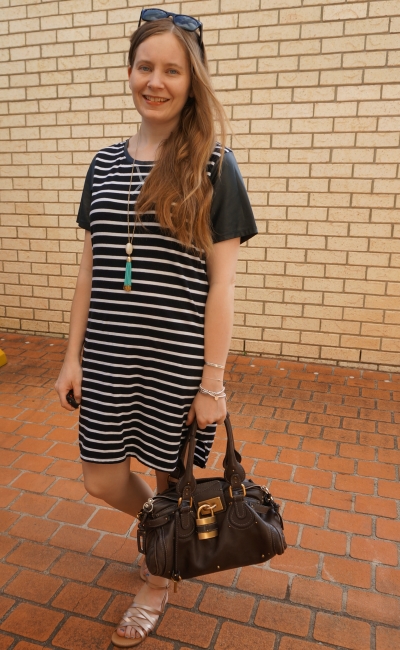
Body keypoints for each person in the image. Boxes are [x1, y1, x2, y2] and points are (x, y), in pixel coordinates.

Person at [55, 8, 257, 648]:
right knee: (101, 475)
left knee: (175, 480)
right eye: (146, 66)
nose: (156, 80)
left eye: (172, 70)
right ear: (131, 70)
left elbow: (221, 285)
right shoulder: (104, 164)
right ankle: (162, 530)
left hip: (177, 360)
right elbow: (92, 266)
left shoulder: (215, 168)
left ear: (191, 82)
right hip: (110, 354)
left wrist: (214, 383)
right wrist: (72, 357)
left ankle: (158, 576)